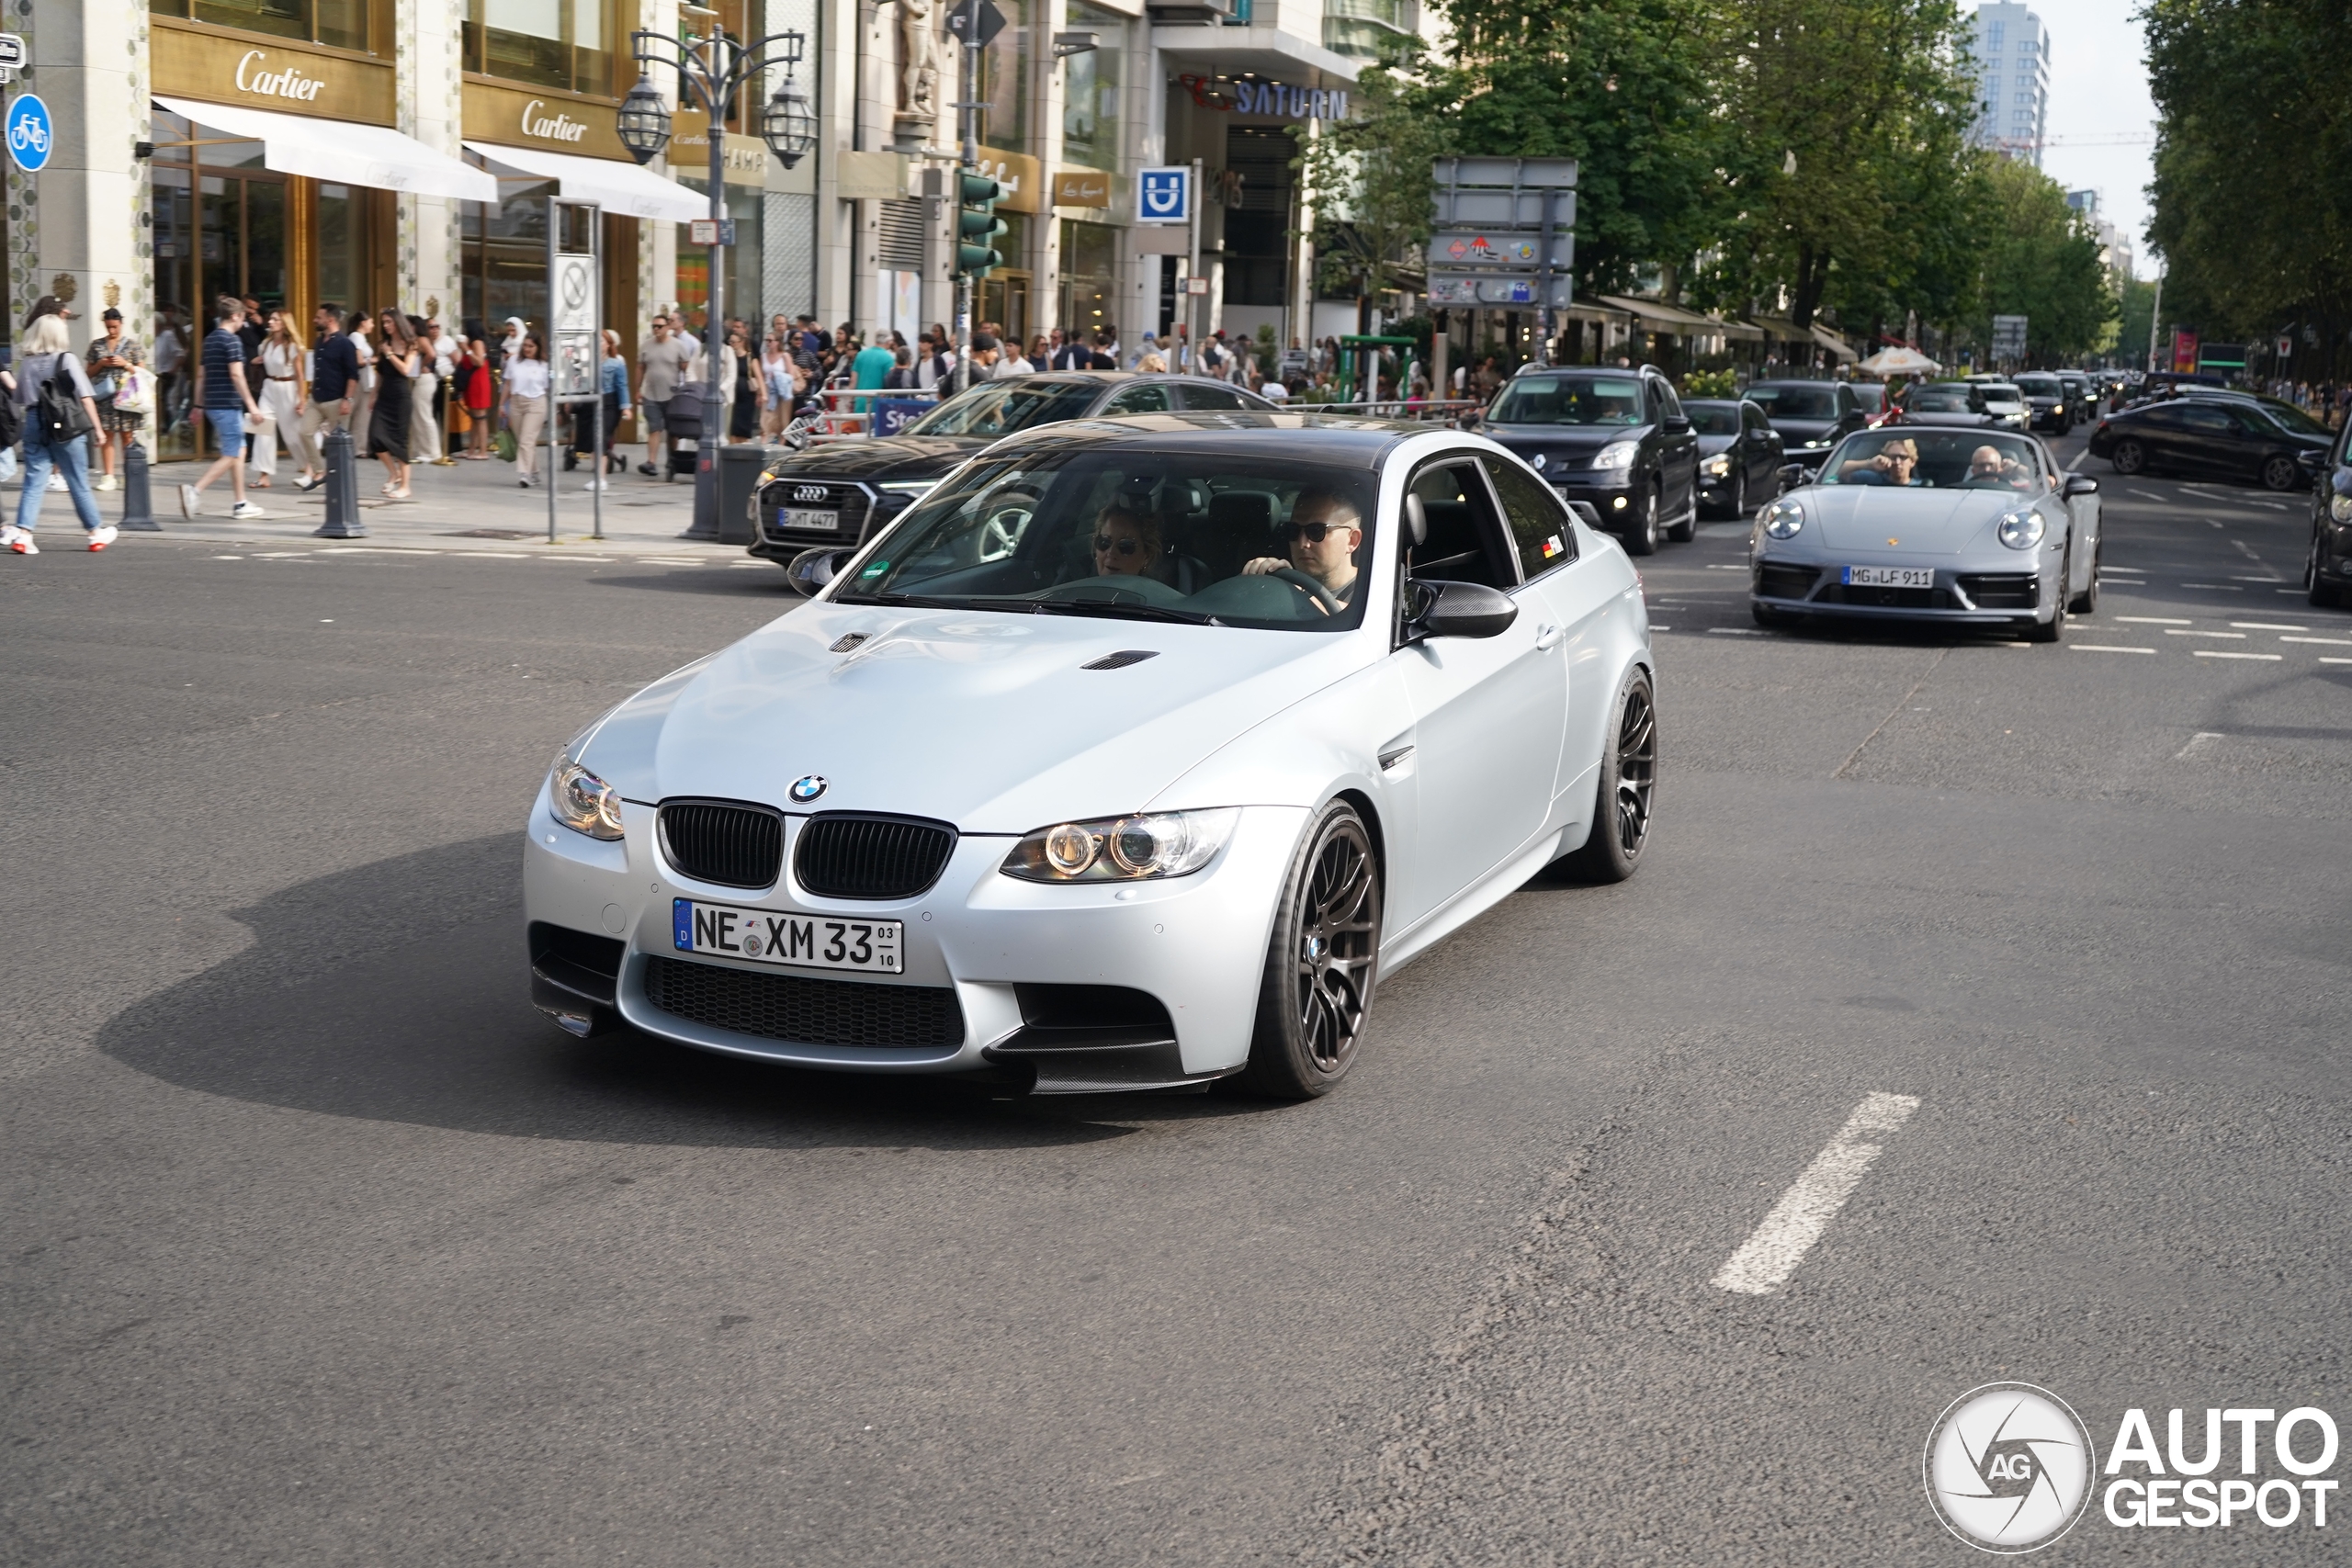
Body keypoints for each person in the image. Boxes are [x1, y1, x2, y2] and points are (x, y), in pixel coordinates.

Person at [2, 311, 111, 553]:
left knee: (33, 481)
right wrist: (98, 430)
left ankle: (24, 534)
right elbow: (85, 397)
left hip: (34, 422)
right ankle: (95, 533)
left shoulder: (28, 362)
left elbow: (19, 397)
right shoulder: (67, 359)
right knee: (77, 480)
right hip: (66, 425)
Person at [180, 296, 266, 520]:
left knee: (239, 451)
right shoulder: (232, 341)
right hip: (228, 404)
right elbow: (236, 375)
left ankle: (240, 502)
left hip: (212, 404)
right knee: (232, 452)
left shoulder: (209, 340)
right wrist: (252, 406)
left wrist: (198, 404)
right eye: (243, 318)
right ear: (235, 316)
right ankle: (195, 490)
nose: (243, 323)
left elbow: (201, 375)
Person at [1241, 491, 1363, 609]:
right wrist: (1260, 583)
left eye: (1316, 531)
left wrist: (1296, 594)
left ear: (1352, 540)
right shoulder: (1282, 582)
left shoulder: (1375, 590)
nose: (1302, 543)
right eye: (1293, 530)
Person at [85, 308, 147, 492]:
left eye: (115, 327)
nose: (112, 331)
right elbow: (87, 373)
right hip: (106, 399)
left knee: (127, 436)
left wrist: (125, 364)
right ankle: (108, 476)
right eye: (108, 327)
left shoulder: (133, 346)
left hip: (127, 398)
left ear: (121, 323)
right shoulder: (96, 346)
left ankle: (129, 475)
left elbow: (142, 373)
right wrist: (101, 364)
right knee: (107, 435)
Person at [296, 304, 357, 488]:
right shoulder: (318, 342)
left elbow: (353, 375)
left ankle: (343, 482)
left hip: (337, 400)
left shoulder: (345, 344)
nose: (315, 320)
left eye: (318, 317)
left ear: (330, 320)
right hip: (316, 399)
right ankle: (319, 472)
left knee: (340, 444)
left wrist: (347, 399)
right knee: (305, 432)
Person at [247, 307, 306, 488]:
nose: (270, 322)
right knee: (263, 428)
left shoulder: (293, 347)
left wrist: (302, 399)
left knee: (293, 433)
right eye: (270, 319)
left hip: (288, 387)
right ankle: (263, 475)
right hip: (269, 387)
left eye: (275, 319)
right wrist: (255, 361)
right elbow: (262, 362)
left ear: (284, 323)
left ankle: (311, 466)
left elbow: (300, 375)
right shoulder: (265, 345)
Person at [367, 307, 418, 499]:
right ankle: (393, 472)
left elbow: (406, 369)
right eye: (384, 322)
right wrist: (373, 395)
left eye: (389, 322)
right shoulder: (384, 343)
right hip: (384, 397)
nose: (386, 326)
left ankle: (405, 485)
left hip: (401, 397)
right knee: (375, 437)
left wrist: (389, 354)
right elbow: (380, 372)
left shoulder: (410, 344)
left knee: (399, 440)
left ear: (398, 322)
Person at [636, 313, 694, 476]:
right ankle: (651, 462)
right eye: (654, 326)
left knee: (672, 430)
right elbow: (640, 368)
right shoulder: (646, 345)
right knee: (654, 428)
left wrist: (687, 389)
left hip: (672, 395)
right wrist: (637, 389)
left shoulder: (678, 345)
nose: (656, 329)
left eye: (659, 326)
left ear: (667, 327)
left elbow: (686, 367)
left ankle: (672, 460)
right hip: (651, 394)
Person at [503, 334, 551, 487]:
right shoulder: (514, 360)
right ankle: (535, 472)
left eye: (531, 346)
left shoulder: (544, 365)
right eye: (525, 345)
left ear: (538, 347)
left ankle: (525, 474)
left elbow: (550, 388)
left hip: (536, 402)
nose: (527, 349)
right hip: (516, 401)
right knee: (523, 441)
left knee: (526, 439)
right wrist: (500, 405)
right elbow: (507, 384)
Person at [1089, 505, 1162, 579]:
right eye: (1104, 542)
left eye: (1126, 546)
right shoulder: (1080, 585)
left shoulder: (1155, 590)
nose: (1111, 552)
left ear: (1146, 557)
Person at [1838, 435, 1920, 485]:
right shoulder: (1873, 479)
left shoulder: (1922, 486)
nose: (1897, 462)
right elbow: (1836, 470)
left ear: (1912, 461)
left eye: (1902, 457)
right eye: (1893, 457)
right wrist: (1869, 464)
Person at [728, 323, 761, 442]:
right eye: (730, 342)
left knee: (743, 427)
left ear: (741, 342)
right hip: (732, 397)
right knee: (731, 427)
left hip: (746, 397)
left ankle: (742, 449)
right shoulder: (728, 357)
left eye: (734, 342)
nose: (731, 345)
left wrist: (761, 394)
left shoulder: (749, 357)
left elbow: (759, 377)